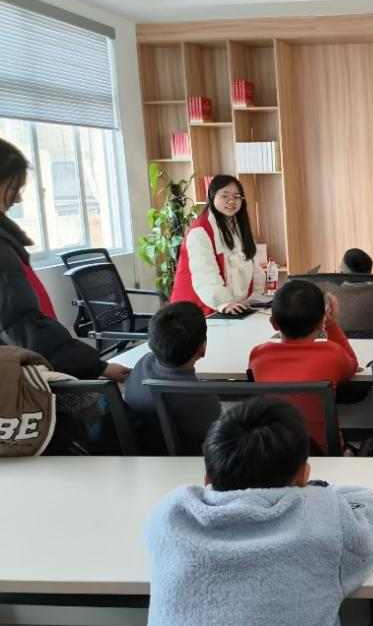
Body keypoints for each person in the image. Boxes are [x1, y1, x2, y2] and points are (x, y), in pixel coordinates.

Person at [144, 396, 373, 626]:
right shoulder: (323, 519)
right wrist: (319, 489)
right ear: (304, 476)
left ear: (207, 478)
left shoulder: (170, 515)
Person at [0, 138, 129, 382]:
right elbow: (24, 325)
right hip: (23, 374)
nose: (18, 199)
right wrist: (97, 367)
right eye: (13, 187)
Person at [249, 279, 359, 452]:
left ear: (273, 323)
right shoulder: (332, 353)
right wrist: (331, 325)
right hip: (325, 452)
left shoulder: (258, 356)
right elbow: (352, 365)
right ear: (320, 324)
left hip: (275, 452)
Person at [124, 301, 221, 454]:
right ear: (202, 348)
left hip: (143, 457)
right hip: (186, 464)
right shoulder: (204, 400)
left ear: (150, 343)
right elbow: (213, 446)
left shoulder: (141, 365)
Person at [171, 175, 265, 316]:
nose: (231, 201)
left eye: (236, 197)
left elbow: (253, 264)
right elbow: (205, 274)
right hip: (197, 311)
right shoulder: (200, 231)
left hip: (233, 308)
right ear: (212, 197)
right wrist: (224, 303)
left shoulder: (238, 226)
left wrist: (257, 296)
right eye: (225, 196)